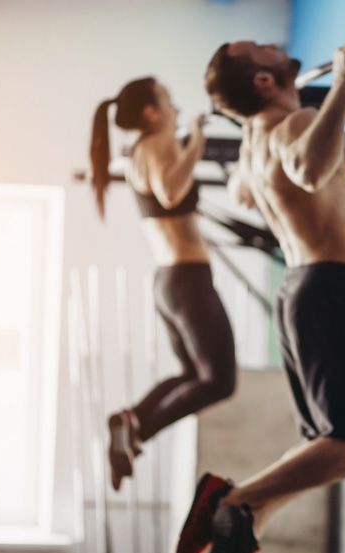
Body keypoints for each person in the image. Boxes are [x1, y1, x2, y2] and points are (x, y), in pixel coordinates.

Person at [173, 40, 345, 553]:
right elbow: (310, 170)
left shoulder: (256, 142)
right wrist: (341, 79)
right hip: (331, 287)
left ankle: (250, 515)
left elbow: (243, 191)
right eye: (260, 50)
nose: (273, 47)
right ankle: (232, 499)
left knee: (331, 444)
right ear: (263, 81)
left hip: (303, 290)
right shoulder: (293, 125)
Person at [89, 77, 237, 493]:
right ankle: (138, 428)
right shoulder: (157, 143)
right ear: (152, 112)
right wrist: (197, 139)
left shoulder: (143, 149)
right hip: (186, 280)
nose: (174, 103)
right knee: (219, 380)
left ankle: (130, 421)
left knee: (193, 373)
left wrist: (188, 139)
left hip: (172, 282)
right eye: (167, 98)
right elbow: (172, 192)